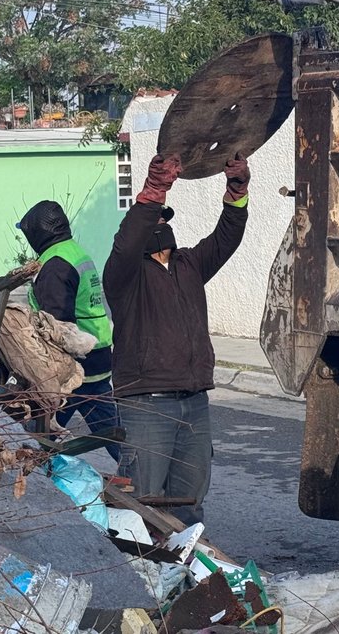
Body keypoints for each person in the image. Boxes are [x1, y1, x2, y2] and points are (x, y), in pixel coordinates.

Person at [102, 153, 250, 525]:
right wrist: (154, 192)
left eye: (164, 217)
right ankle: (140, 576)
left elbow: (227, 237)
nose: (160, 224)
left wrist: (237, 190)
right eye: (154, 218)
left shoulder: (189, 265)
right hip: (147, 405)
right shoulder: (124, 276)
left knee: (188, 503)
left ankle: (185, 576)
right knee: (140, 505)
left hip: (193, 401)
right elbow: (127, 242)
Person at [18, 199, 120, 461]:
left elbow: (56, 323)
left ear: (36, 233)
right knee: (103, 422)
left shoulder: (55, 264)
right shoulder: (75, 253)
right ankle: (139, 472)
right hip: (97, 352)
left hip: (76, 361)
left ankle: (140, 475)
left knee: (42, 428)